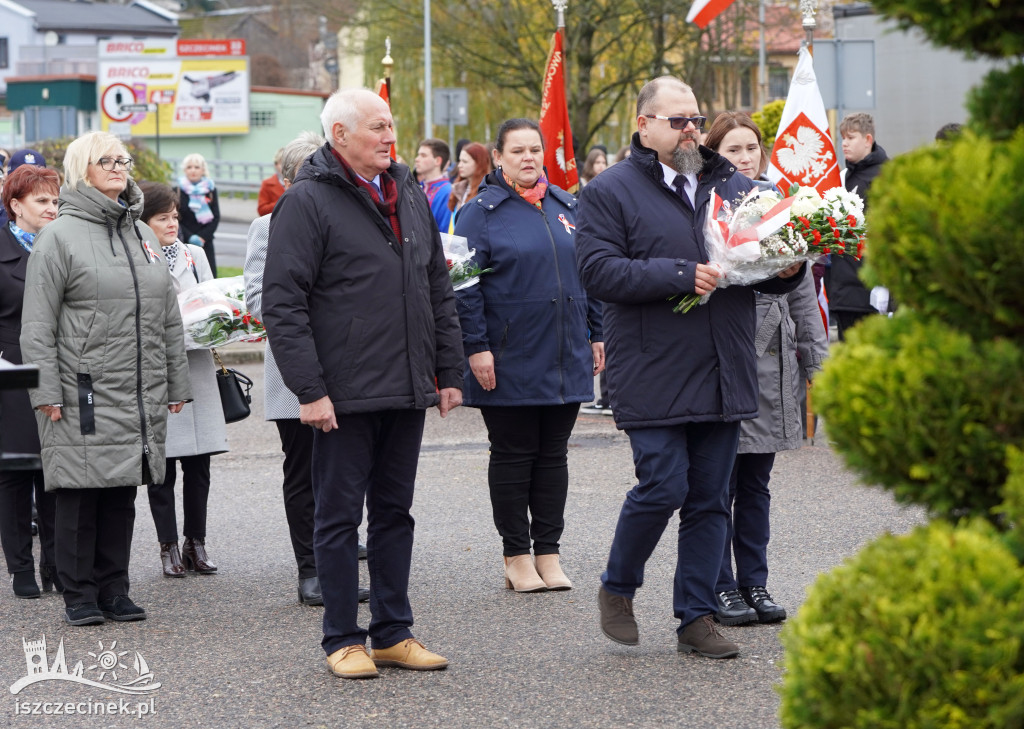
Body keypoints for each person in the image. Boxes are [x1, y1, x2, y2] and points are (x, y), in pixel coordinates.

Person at [575, 76, 804, 659]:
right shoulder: (611, 190)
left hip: (724, 360)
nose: (690, 130)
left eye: (695, 119)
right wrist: (681, 274)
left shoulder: (735, 185)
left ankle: (696, 616)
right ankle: (618, 586)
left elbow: (770, 253)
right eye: (677, 120)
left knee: (709, 497)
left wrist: (785, 268)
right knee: (663, 484)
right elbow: (598, 272)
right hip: (651, 364)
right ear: (643, 124)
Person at [262, 88, 464, 680]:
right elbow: (284, 303)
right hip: (342, 392)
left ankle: (393, 633)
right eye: (376, 126)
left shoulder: (410, 195)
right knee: (338, 516)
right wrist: (310, 389)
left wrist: (447, 371)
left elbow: (436, 288)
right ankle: (342, 639)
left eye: (391, 126)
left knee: (395, 513)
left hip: (404, 386)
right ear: (340, 135)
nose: (388, 136)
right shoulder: (307, 201)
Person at [20, 131, 191, 626]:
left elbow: (166, 312)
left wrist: (175, 381)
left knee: (121, 488)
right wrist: (45, 388)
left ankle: (115, 588)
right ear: (82, 169)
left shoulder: (139, 232)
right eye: (107, 160)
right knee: (79, 491)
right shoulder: (58, 236)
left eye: (124, 159)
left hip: (134, 388)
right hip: (82, 389)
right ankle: (79, 594)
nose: (120, 167)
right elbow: (37, 325)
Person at [454, 118, 604, 593]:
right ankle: (517, 555)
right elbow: (464, 288)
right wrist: (476, 347)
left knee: (554, 455)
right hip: (509, 352)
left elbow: (590, 272)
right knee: (515, 454)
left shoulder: (566, 205)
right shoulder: (481, 212)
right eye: (516, 151)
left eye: (534, 150)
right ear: (497, 157)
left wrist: (597, 331)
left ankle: (549, 552)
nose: (527, 158)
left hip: (565, 350)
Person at [704, 112, 829, 625]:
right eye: (733, 149)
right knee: (718, 485)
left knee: (757, 484)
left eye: (751, 148)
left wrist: (817, 361)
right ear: (715, 153)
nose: (745, 158)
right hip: (729, 358)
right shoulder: (705, 206)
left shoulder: (780, 206)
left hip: (775, 364)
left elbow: (802, 294)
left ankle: (755, 581)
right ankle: (721, 584)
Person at [243, 131, 370, 607]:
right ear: (291, 180)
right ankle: (311, 571)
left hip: (351, 367)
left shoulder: (353, 217)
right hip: (296, 372)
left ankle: (336, 555)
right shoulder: (267, 226)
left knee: (347, 470)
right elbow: (257, 300)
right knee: (304, 475)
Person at [138, 181, 227, 579]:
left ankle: (197, 542)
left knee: (200, 463)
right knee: (162, 465)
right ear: (143, 222)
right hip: (157, 369)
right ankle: (167, 546)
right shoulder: (135, 256)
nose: (172, 223)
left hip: (197, 367)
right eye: (162, 217)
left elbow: (212, 300)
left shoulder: (194, 254)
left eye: (175, 215)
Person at [0, 165, 61, 599]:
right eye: (41, 201)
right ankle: (21, 567)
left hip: (61, 372)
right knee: (18, 474)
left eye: (55, 200)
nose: (51, 208)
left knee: (58, 473)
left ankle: (56, 565)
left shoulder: (62, 246)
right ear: (16, 206)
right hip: (13, 373)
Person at [828, 112, 889, 339]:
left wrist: (885, 286)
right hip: (844, 290)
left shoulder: (886, 177)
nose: (844, 143)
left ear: (868, 139)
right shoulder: (843, 177)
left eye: (851, 137)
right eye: (842, 138)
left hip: (870, 291)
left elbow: (888, 235)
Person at [177, 153, 221, 277]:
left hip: (205, 243)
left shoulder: (210, 190)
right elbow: (176, 217)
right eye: (189, 167)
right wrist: (190, 237)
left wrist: (202, 237)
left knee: (208, 278)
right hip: (184, 241)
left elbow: (216, 217)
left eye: (197, 167)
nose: (193, 170)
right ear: (185, 170)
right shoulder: (177, 190)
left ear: (203, 170)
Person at [414, 138, 453, 232]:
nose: (417, 159)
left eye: (423, 155)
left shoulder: (447, 192)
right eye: (418, 155)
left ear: (437, 161)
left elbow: (444, 231)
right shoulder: (418, 188)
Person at [447, 141, 489, 220]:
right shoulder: (459, 189)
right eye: (460, 161)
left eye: (465, 162)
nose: (459, 165)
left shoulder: (486, 192)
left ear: (479, 164)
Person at [257, 148, 286, 215]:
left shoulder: (297, 182)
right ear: (276, 165)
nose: (285, 167)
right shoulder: (267, 183)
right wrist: (281, 203)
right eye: (282, 163)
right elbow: (261, 210)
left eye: (287, 163)